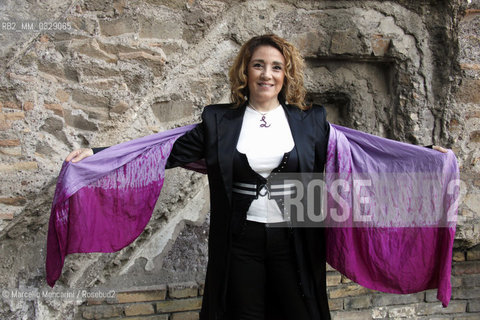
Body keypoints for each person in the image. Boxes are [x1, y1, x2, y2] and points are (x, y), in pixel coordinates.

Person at [66, 34, 448, 320]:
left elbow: (364, 152)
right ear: (245, 71)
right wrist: (99, 156)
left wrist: (427, 157)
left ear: (286, 74)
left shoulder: (309, 120)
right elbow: (162, 151)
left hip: (297, 239)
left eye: (277, 67)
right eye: (259, 65)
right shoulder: (219, 121)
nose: (268, 74)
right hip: (240, 242)